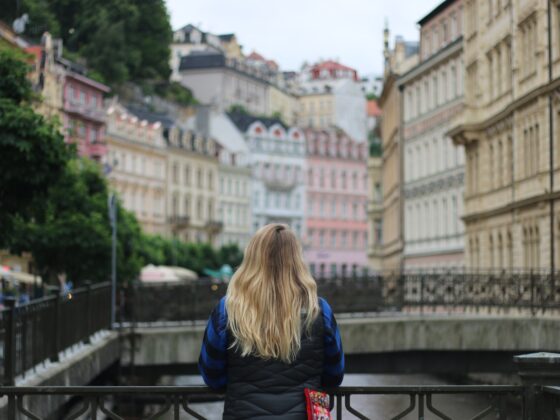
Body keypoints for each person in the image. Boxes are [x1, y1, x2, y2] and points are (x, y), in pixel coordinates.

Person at [199, 224, 344, 419]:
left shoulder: (228, 310)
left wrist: (242, 383)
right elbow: (334, 375)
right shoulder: (318, 310)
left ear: (252, 258)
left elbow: (212, 375)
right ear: (297, 260)